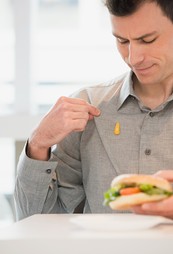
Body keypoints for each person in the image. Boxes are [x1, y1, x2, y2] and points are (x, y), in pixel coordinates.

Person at [15, 0, 173, 220]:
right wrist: (38, 143)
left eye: (147, 40)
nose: (133, 58)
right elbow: (34, 222)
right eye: (122, 40)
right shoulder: (87, 108)